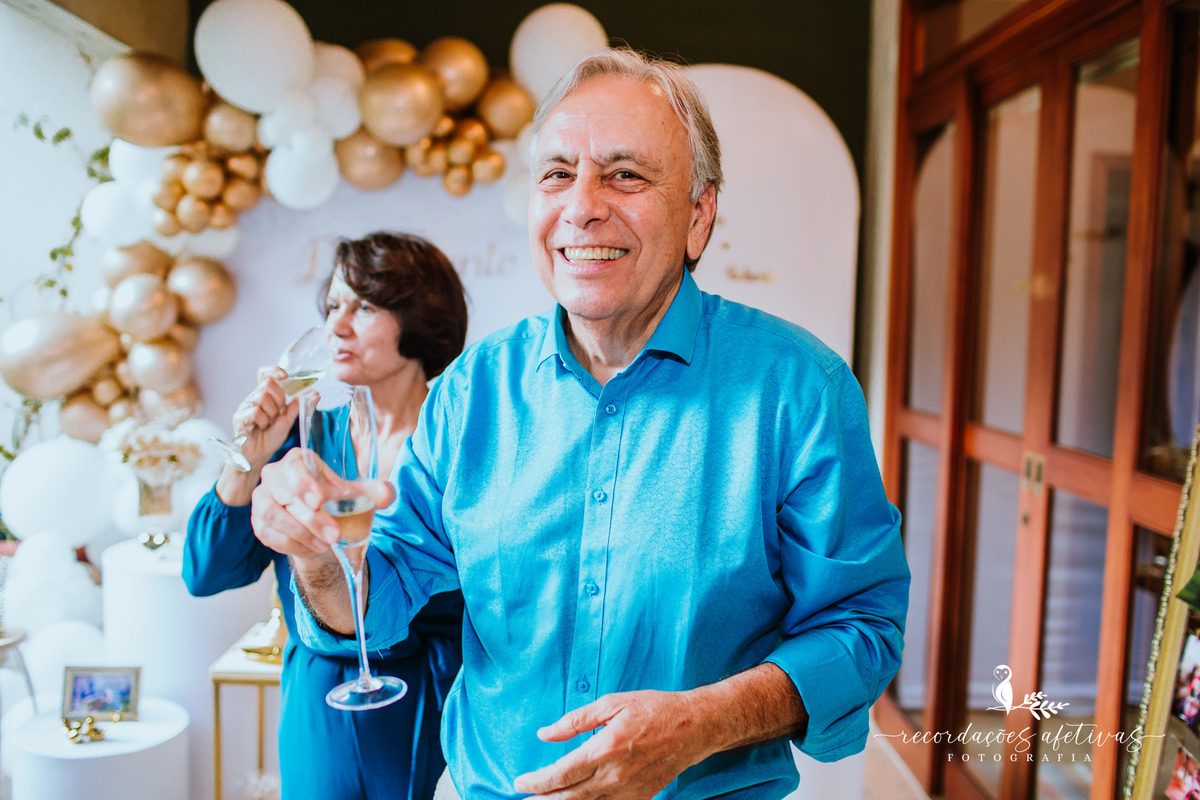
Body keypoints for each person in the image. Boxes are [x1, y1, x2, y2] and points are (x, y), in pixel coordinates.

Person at [252, 49, 909, 800]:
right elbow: (375, 600)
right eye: (558, 173)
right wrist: (316, 554)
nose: (582, 206)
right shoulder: (471, 391)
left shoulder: (800, 390)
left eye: (625, 175)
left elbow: (864, 630)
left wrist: (702, 723)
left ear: (698, 216)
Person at [184, 231, 468, 800]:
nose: (337, 325)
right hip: (322, 704)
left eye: (364, 306)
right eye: (334, 305)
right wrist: (250, 456)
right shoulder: (304, 442)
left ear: (420, 315)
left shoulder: (457, 443)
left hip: (437, 697)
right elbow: (207, 572)